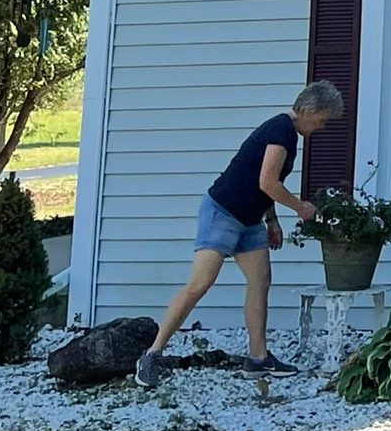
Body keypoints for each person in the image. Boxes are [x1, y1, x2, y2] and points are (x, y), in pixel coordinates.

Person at [133, 81, 345, 386]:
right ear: (310, 110)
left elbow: (264, 183)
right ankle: (151, 355)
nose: (323, 126)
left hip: (249, 219)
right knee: (199, 284)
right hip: (222, 212)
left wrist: (271, 219)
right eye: (323, 119)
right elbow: (268, 182)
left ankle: (257, 359)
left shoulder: (287, 133)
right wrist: (300, 207)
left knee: (260, 281)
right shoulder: (281, 130)